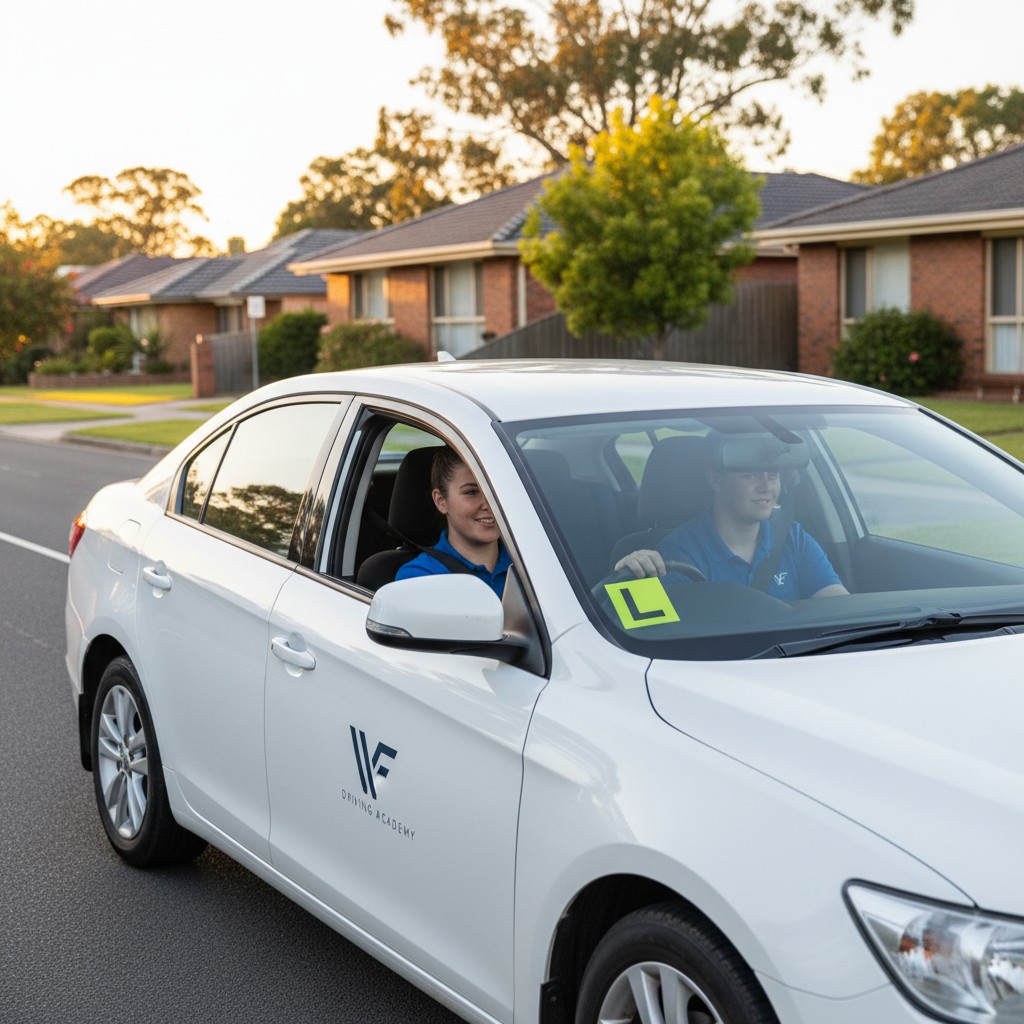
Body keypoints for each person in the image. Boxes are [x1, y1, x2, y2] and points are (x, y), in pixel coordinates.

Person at [615, 432, 848, 600]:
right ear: (716, 480)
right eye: (750, 476)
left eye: (773, 474)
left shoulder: (792, 538)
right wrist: (632, 582)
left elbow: (838, 604)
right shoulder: (678, 554)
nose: (766, 486)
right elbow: (654, 632)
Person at [395, 446, 511, 598]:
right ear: (441, 501)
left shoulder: (530, 562)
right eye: (472, 492)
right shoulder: (419, 578)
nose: (489, 504)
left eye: (496, 490)